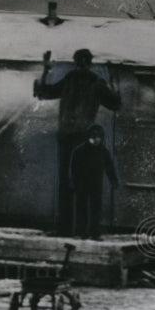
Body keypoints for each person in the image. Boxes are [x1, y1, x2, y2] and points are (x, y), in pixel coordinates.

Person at [33, 48, 120, 236]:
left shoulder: (70, 79)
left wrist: (45, 70)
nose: (80, 65)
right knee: (85, 184)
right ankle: (85, 231)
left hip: (66, 136)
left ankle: (66, 229)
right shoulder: (96, 82)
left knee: (66, 183)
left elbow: (43, 92)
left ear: (76, 62)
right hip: (82, 139)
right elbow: (115, 104)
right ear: (90, 62)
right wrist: (113, 80)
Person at [69, 124, 119, 240]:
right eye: (94, 137)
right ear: (88, 137)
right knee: (81, 207)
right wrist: (73, 181)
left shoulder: (103, 151)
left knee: (96, 207)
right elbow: (74, 168)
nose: (97, 139)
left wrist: (113, 180)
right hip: (82, 183)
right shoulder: (80, 151)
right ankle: (81, 231)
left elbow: (109, 167)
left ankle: (94, 232)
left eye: (99, 137)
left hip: (96, 183)